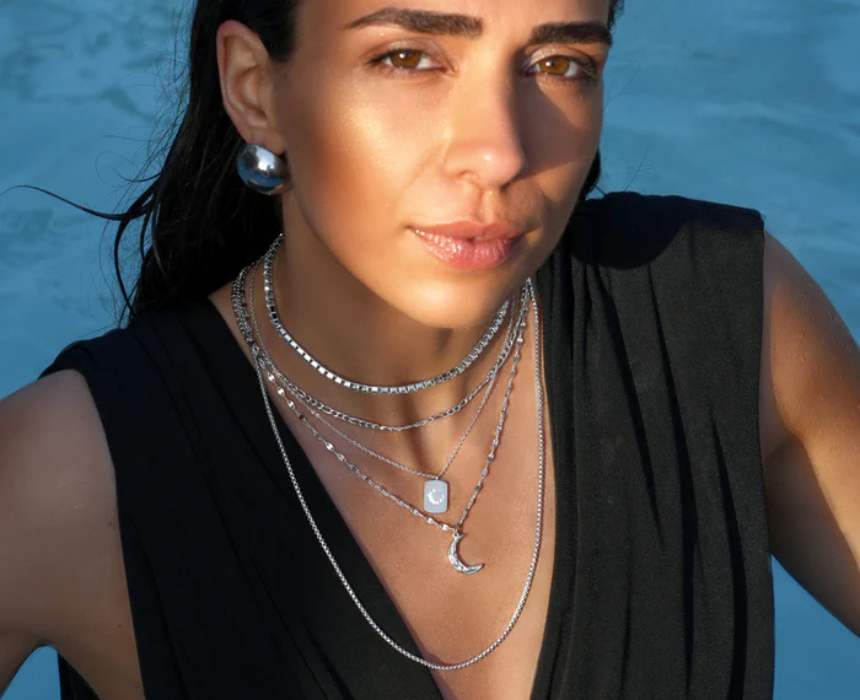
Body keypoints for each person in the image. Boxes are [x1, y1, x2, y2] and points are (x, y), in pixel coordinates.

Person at [0, 0, 858, 698]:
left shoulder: (732, 323)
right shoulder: (68, 472)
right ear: (256, 90)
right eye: (409, 57)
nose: (500, 153)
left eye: (561, 64)